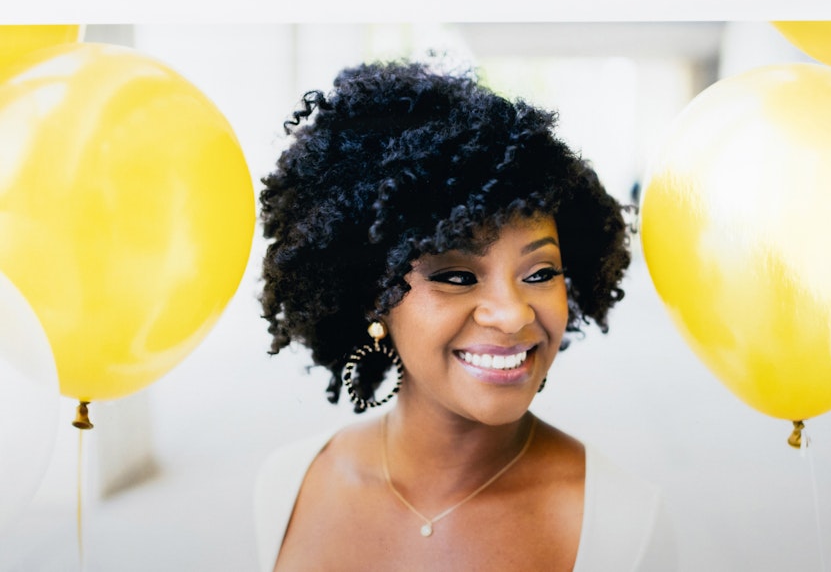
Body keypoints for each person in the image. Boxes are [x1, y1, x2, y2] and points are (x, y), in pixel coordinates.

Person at [254, 59, 676, 571]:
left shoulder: (623, 525)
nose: (512, 314)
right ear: (373, 296)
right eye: (456, 276)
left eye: (541, 272)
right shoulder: (288, 486)